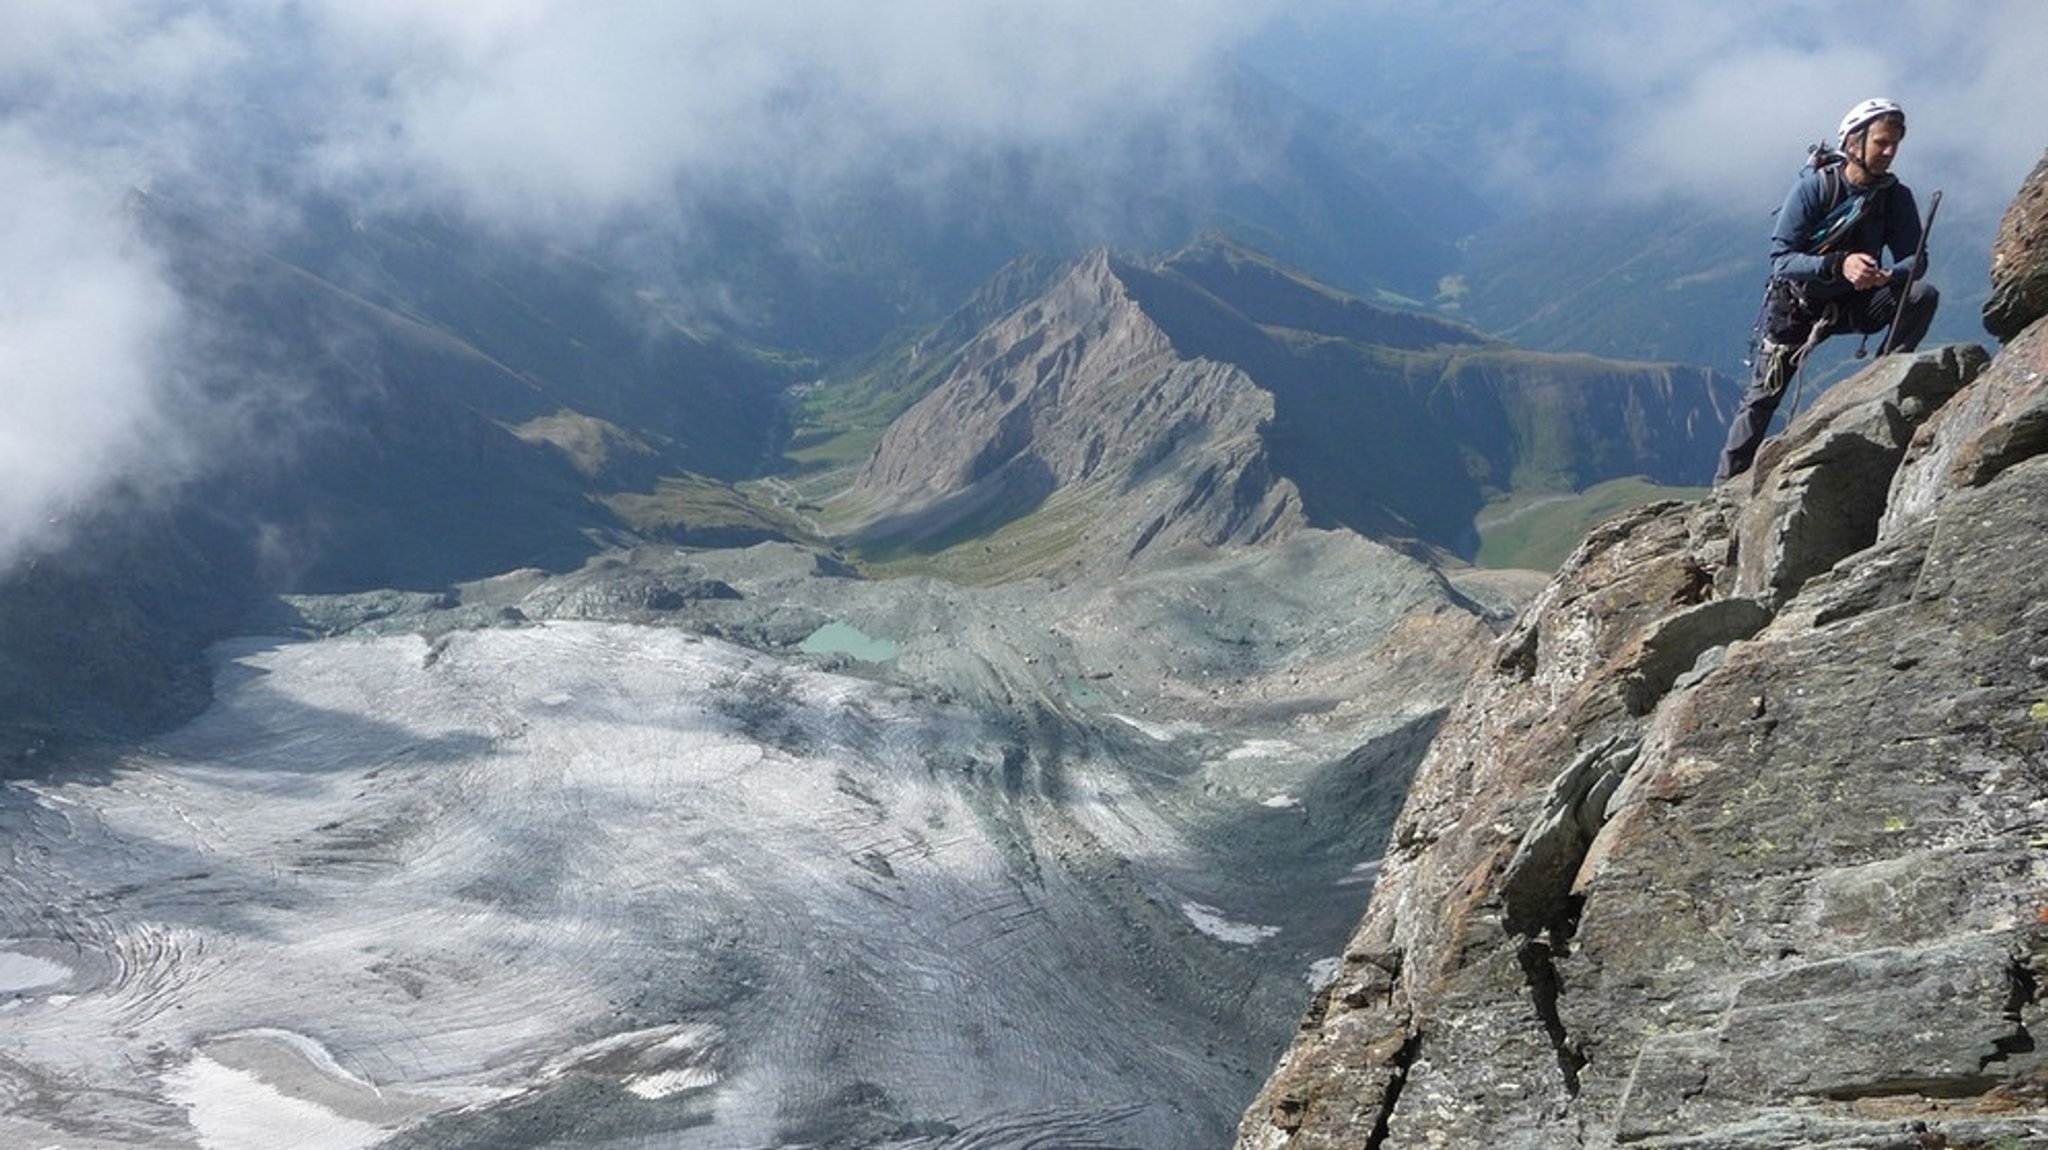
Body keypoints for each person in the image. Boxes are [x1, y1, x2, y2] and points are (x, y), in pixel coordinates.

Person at [1715, 97, 1940, 483]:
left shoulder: (1893, 196)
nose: (1889, 152)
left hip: (1856, 300)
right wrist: (1839, 264)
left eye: (1894, 145)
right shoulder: (1815, 189)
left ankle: (1883, 385)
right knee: (1762, 400)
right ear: (1854, 143)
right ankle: (1724, 486)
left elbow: (1916, 260)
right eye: (1881, 143)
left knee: (1921, 294)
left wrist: (1887, 275)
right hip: (1799, 308)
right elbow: (1782, 259)